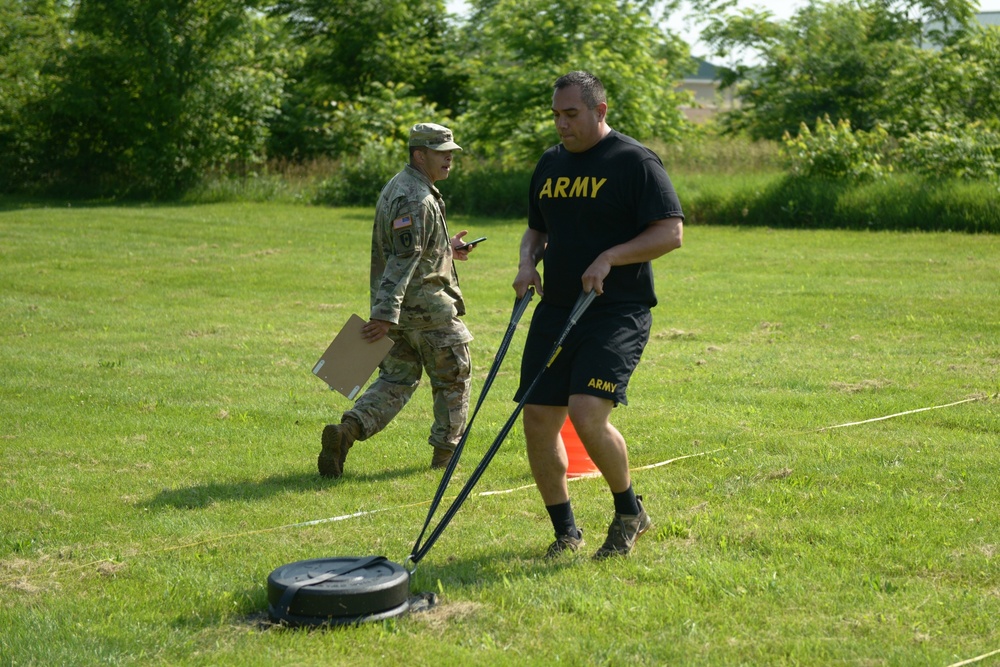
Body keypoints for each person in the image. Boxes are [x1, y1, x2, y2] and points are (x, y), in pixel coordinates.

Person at [511, 71, 684, 560]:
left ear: (599, 111)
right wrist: (527, 262)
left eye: (572, 114)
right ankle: (566, 532)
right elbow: (535, 229)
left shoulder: (634, 161)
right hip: (557, 307)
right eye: (556, 115)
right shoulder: (549, 164)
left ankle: (630, 512)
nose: (562, 125)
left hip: (616, 310)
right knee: (539, 419)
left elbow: (670, 234)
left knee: (587, 414)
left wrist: (611, 256)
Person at [319, 122, 483, 479]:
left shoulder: (404, 186)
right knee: (454, 377)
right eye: (442, 154)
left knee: (396, 380)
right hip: (427, 311)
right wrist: (383, 314)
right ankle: (445, 461)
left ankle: (346, 432)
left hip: (400, 315)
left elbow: (412, 248)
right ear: (419, 154)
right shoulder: (416, 197)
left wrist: (447, 248)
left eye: (451, 154)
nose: (449, 160)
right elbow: (403, 258)